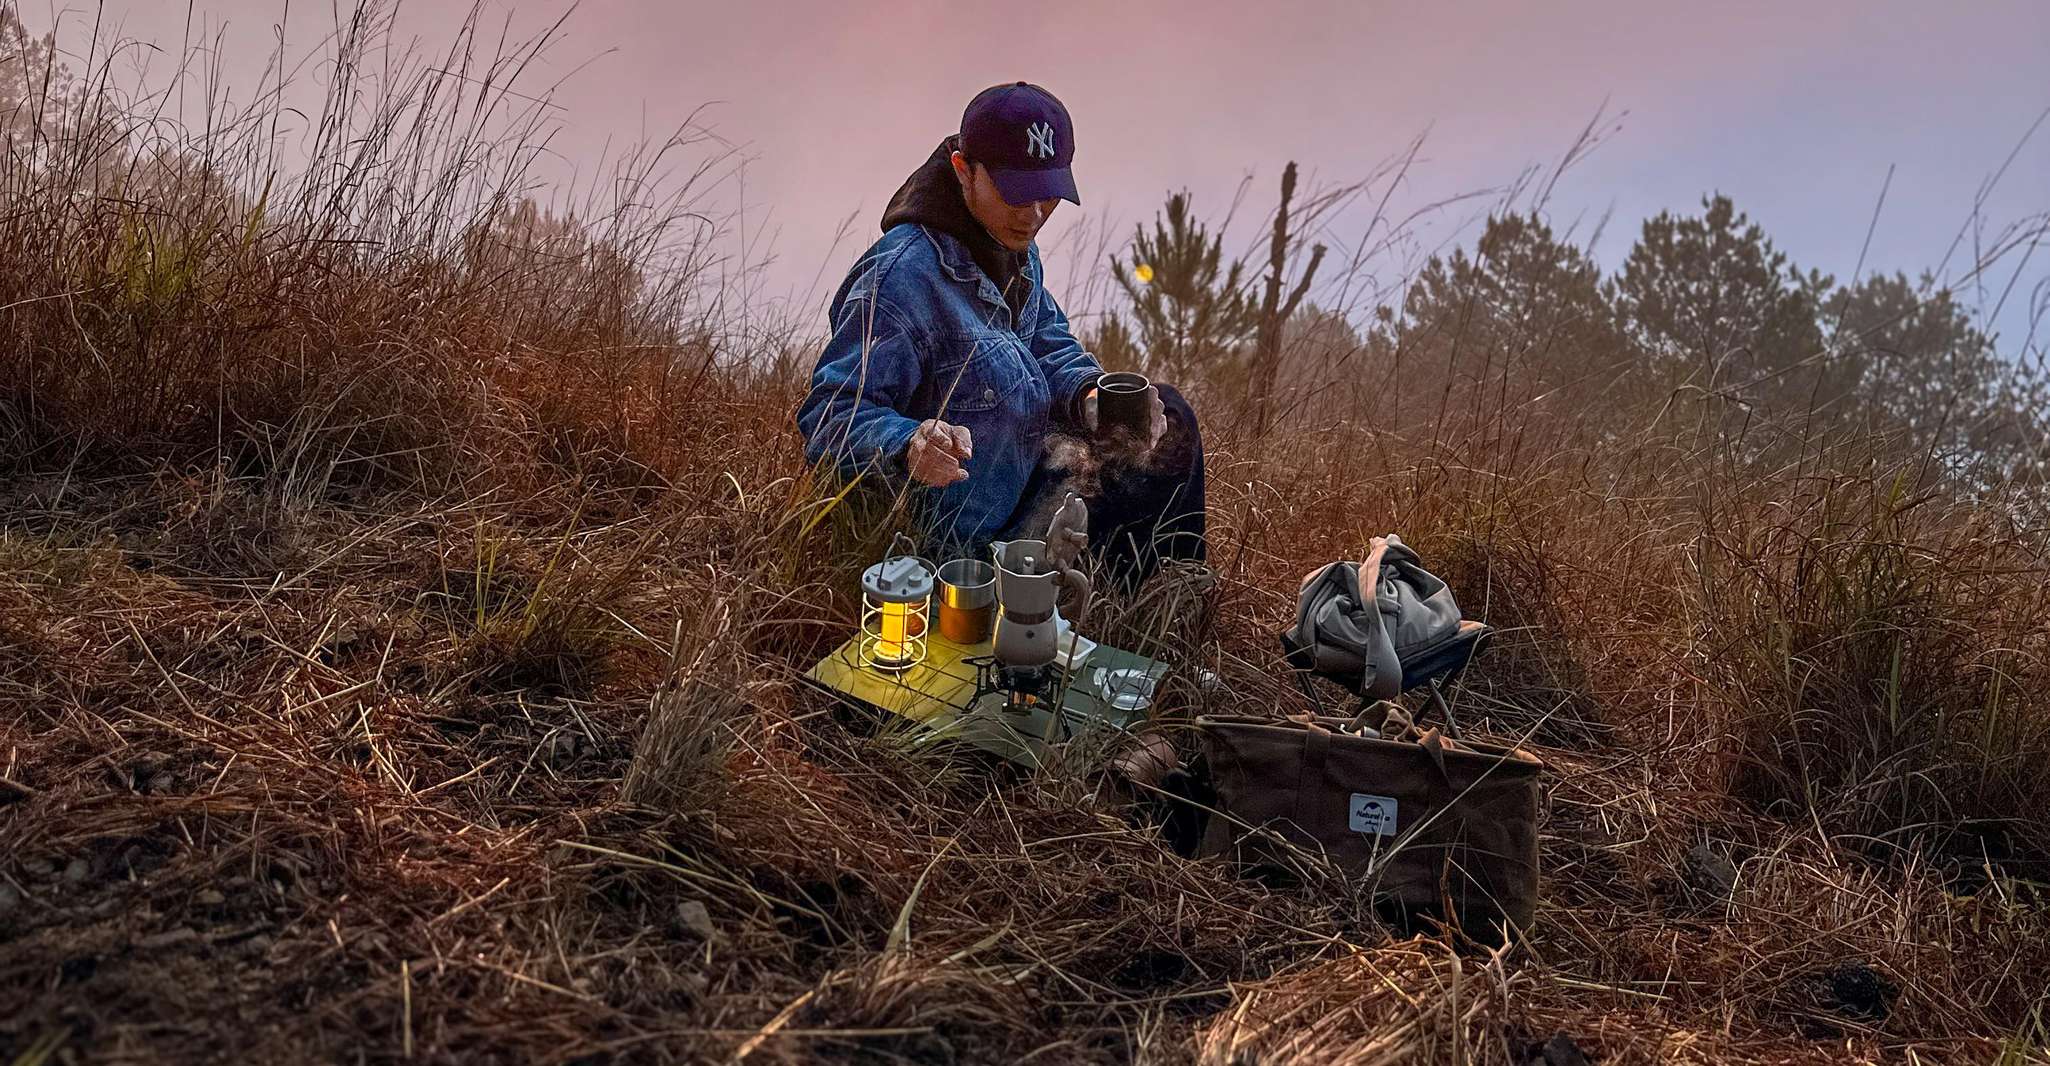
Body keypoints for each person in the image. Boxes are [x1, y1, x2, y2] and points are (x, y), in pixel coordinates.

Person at [796, 81, 1206, 591]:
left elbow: (1046, 340)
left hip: (1041, 478)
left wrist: (1088, 393)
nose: (1034, 214)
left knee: (1166, 413)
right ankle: (1086, 601)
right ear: (964, 171)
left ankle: (1168, 597)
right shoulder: (900, 278)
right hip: (968, 543)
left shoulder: (1014, 244)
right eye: (1016, 192)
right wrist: (909, 442)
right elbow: (830, 416)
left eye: (1048, 194)